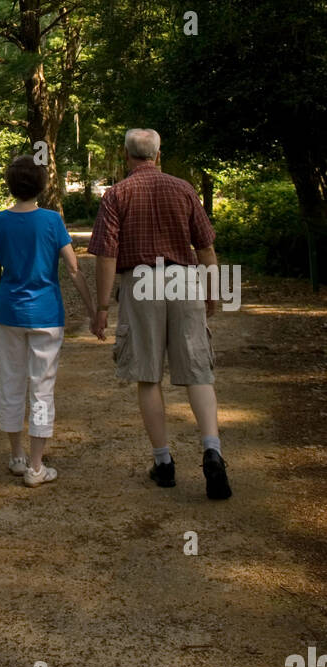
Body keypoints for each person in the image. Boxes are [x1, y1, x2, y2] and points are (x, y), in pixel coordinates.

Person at [88, 128, 232, 499]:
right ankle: (212, 450)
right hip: (183, 279)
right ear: (158, 154)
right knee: (198, 370)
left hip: (140, 280)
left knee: (148, 374)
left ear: (125, 156)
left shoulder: (116, 194)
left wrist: (103, 308)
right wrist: (213, 291)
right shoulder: (183, 188)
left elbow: (106, 255)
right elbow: (206, 248)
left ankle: (164, 463)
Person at [0, 154, 97, 487]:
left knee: (11, 383)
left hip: (8, 313)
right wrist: (94, 309)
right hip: (47, 314)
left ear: (10, 185)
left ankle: (17, 456)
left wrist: (1, 296)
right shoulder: (51, 221)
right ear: (41, 186)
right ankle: (36, 467)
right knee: (41, 388)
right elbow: (73, 269)